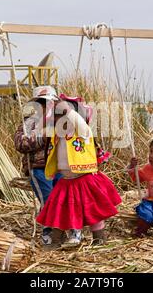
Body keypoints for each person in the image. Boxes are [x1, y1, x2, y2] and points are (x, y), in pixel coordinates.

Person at [36, 95, 122, 248]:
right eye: (57, 117)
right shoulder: (57, 134)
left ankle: (99, 239)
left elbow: (78, 121)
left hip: (84, 179)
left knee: (92, 211)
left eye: (63, 116)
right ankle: (56, 240)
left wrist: (67, 109)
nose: (59, 120)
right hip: (66, 181)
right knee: (60, 210)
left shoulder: (82, 131)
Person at [14, 86, 62, 246]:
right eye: (41, 102)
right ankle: (49, 232)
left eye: (49, 102)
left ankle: (64, 230)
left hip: (61, 168)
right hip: (39, 168)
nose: (46, 105)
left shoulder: (62, 121)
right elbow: (20, 144)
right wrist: (41, 136)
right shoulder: (29, 123)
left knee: (64, 199)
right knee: (49, 200)